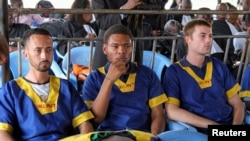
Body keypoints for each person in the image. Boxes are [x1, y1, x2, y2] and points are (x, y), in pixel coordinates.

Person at [0, 28, 94, 141]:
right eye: (38, 50)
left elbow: (85, 124)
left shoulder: (65, 86)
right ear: (26, 54)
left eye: (49, 50)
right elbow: (2, 133)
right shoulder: (10, 90)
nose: (44, 56)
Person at [82, 24, 168, 137]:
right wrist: (109, 80)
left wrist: (154, 136)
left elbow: (158, 114)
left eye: (127, 46)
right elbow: (95, 120)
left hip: (141, 135)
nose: (122, 51)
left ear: (132, 48)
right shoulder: (94, 79)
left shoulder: (147, 74)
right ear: (105, 49)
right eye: (115, 46)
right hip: (108, 136)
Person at [163, 19, 244, 134]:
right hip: (199, 131)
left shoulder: (218, 65)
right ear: (188, 39)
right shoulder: (174, 72)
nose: (209, 40)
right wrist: (214, 127)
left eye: (210, 36)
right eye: (202, 36)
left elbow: (237, 103)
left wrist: (235, 127)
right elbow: (171, 111)